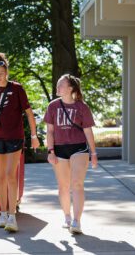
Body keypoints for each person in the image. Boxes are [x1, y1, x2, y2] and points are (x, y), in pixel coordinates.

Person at [0, 52, 40, 232]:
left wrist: (34, 136)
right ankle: (2, 214)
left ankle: (12, 216)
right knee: (1, 177)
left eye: (1, 72)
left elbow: (28, 113)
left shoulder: (17, 88)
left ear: (6, 71)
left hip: (15, 137)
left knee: (11, 176)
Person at [44, 74, 98, 235]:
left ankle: (77, 221)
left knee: (77, 184)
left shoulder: (82, 107)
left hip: (79, 148)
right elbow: (50, 131)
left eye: (61, 85)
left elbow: (88, 131)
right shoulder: (52, 106)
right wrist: (50, 151)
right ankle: (67, 216)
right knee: (63, 186)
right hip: (59, 149)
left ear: (70, 88)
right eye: (57, 84)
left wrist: (93, 153)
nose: (57, 87)